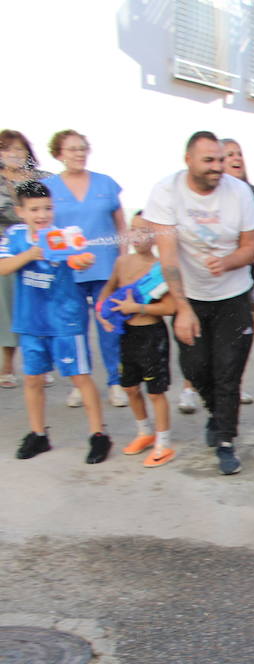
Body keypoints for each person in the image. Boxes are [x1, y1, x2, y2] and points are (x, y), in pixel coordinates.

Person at [143, 131, 254, 475]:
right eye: (208, 160)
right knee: (195, 367)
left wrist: (228, 262)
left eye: (221, 160)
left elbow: (250, 248)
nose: (217, 167)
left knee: (228, 369)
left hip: (233, 294)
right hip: (190, 295)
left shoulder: (239, 192)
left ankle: (225, 438)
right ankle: (216, 413)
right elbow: (167, 258)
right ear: (188, 161)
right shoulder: (166, 192)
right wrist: (182, 308)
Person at [0, 180, 110, 462]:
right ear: (20, 211)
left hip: (66, 320)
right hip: (30, 322)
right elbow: (3, 267)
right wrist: (32, 253)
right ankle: (38, 435)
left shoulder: (65, 235)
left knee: (79, 377)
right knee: (33, 379)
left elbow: (80, 258)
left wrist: (82, 260)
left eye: (47, 208)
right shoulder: (14, 236)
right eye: (35, 209)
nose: (42, 215)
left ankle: (98, 435)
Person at [42, 130, 127, 410]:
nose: (78, 153)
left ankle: (116, 382)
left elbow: (121, 225)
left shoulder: (105, 183)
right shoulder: (49, 187)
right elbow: (44, 228)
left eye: (82, 148)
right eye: (71, 149)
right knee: (73, 329)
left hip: (105, 267)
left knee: (110, 327)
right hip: (68, 271)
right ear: (58, 154)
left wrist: (124, 258)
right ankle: (80, 383)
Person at [93, 214, 176, 467]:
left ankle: (163, 443)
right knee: (129, 387)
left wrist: (138, 307)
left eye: (145, 230)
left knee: (155, 392)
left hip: (151, 336)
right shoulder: (122, 263)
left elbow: (171, 306)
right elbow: (107, 290)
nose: (138, 235)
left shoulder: (162, 268)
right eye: (133, 230)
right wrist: (101, 311)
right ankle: (144, 432)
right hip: (126, 335)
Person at [0, 129, 52, 389]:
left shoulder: (41, 179)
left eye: (19, 149)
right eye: (7, 149)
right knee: (9, 310)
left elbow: (57, 202)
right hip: (7, 249)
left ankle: (44, 362)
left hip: (42, 247)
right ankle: (8, 365)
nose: (13, 154)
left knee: (43, 304)